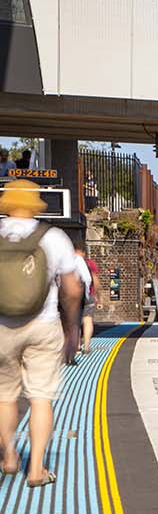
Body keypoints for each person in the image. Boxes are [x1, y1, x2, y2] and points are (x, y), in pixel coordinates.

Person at [0, 180, 84, 487]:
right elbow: (73, 290)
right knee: (40, 397)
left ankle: (9, 456)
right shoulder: (53, 236)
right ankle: (36, 470)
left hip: (1, 326)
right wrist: (72, 328)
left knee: (4, 397)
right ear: (37, 204)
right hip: (43, 324)